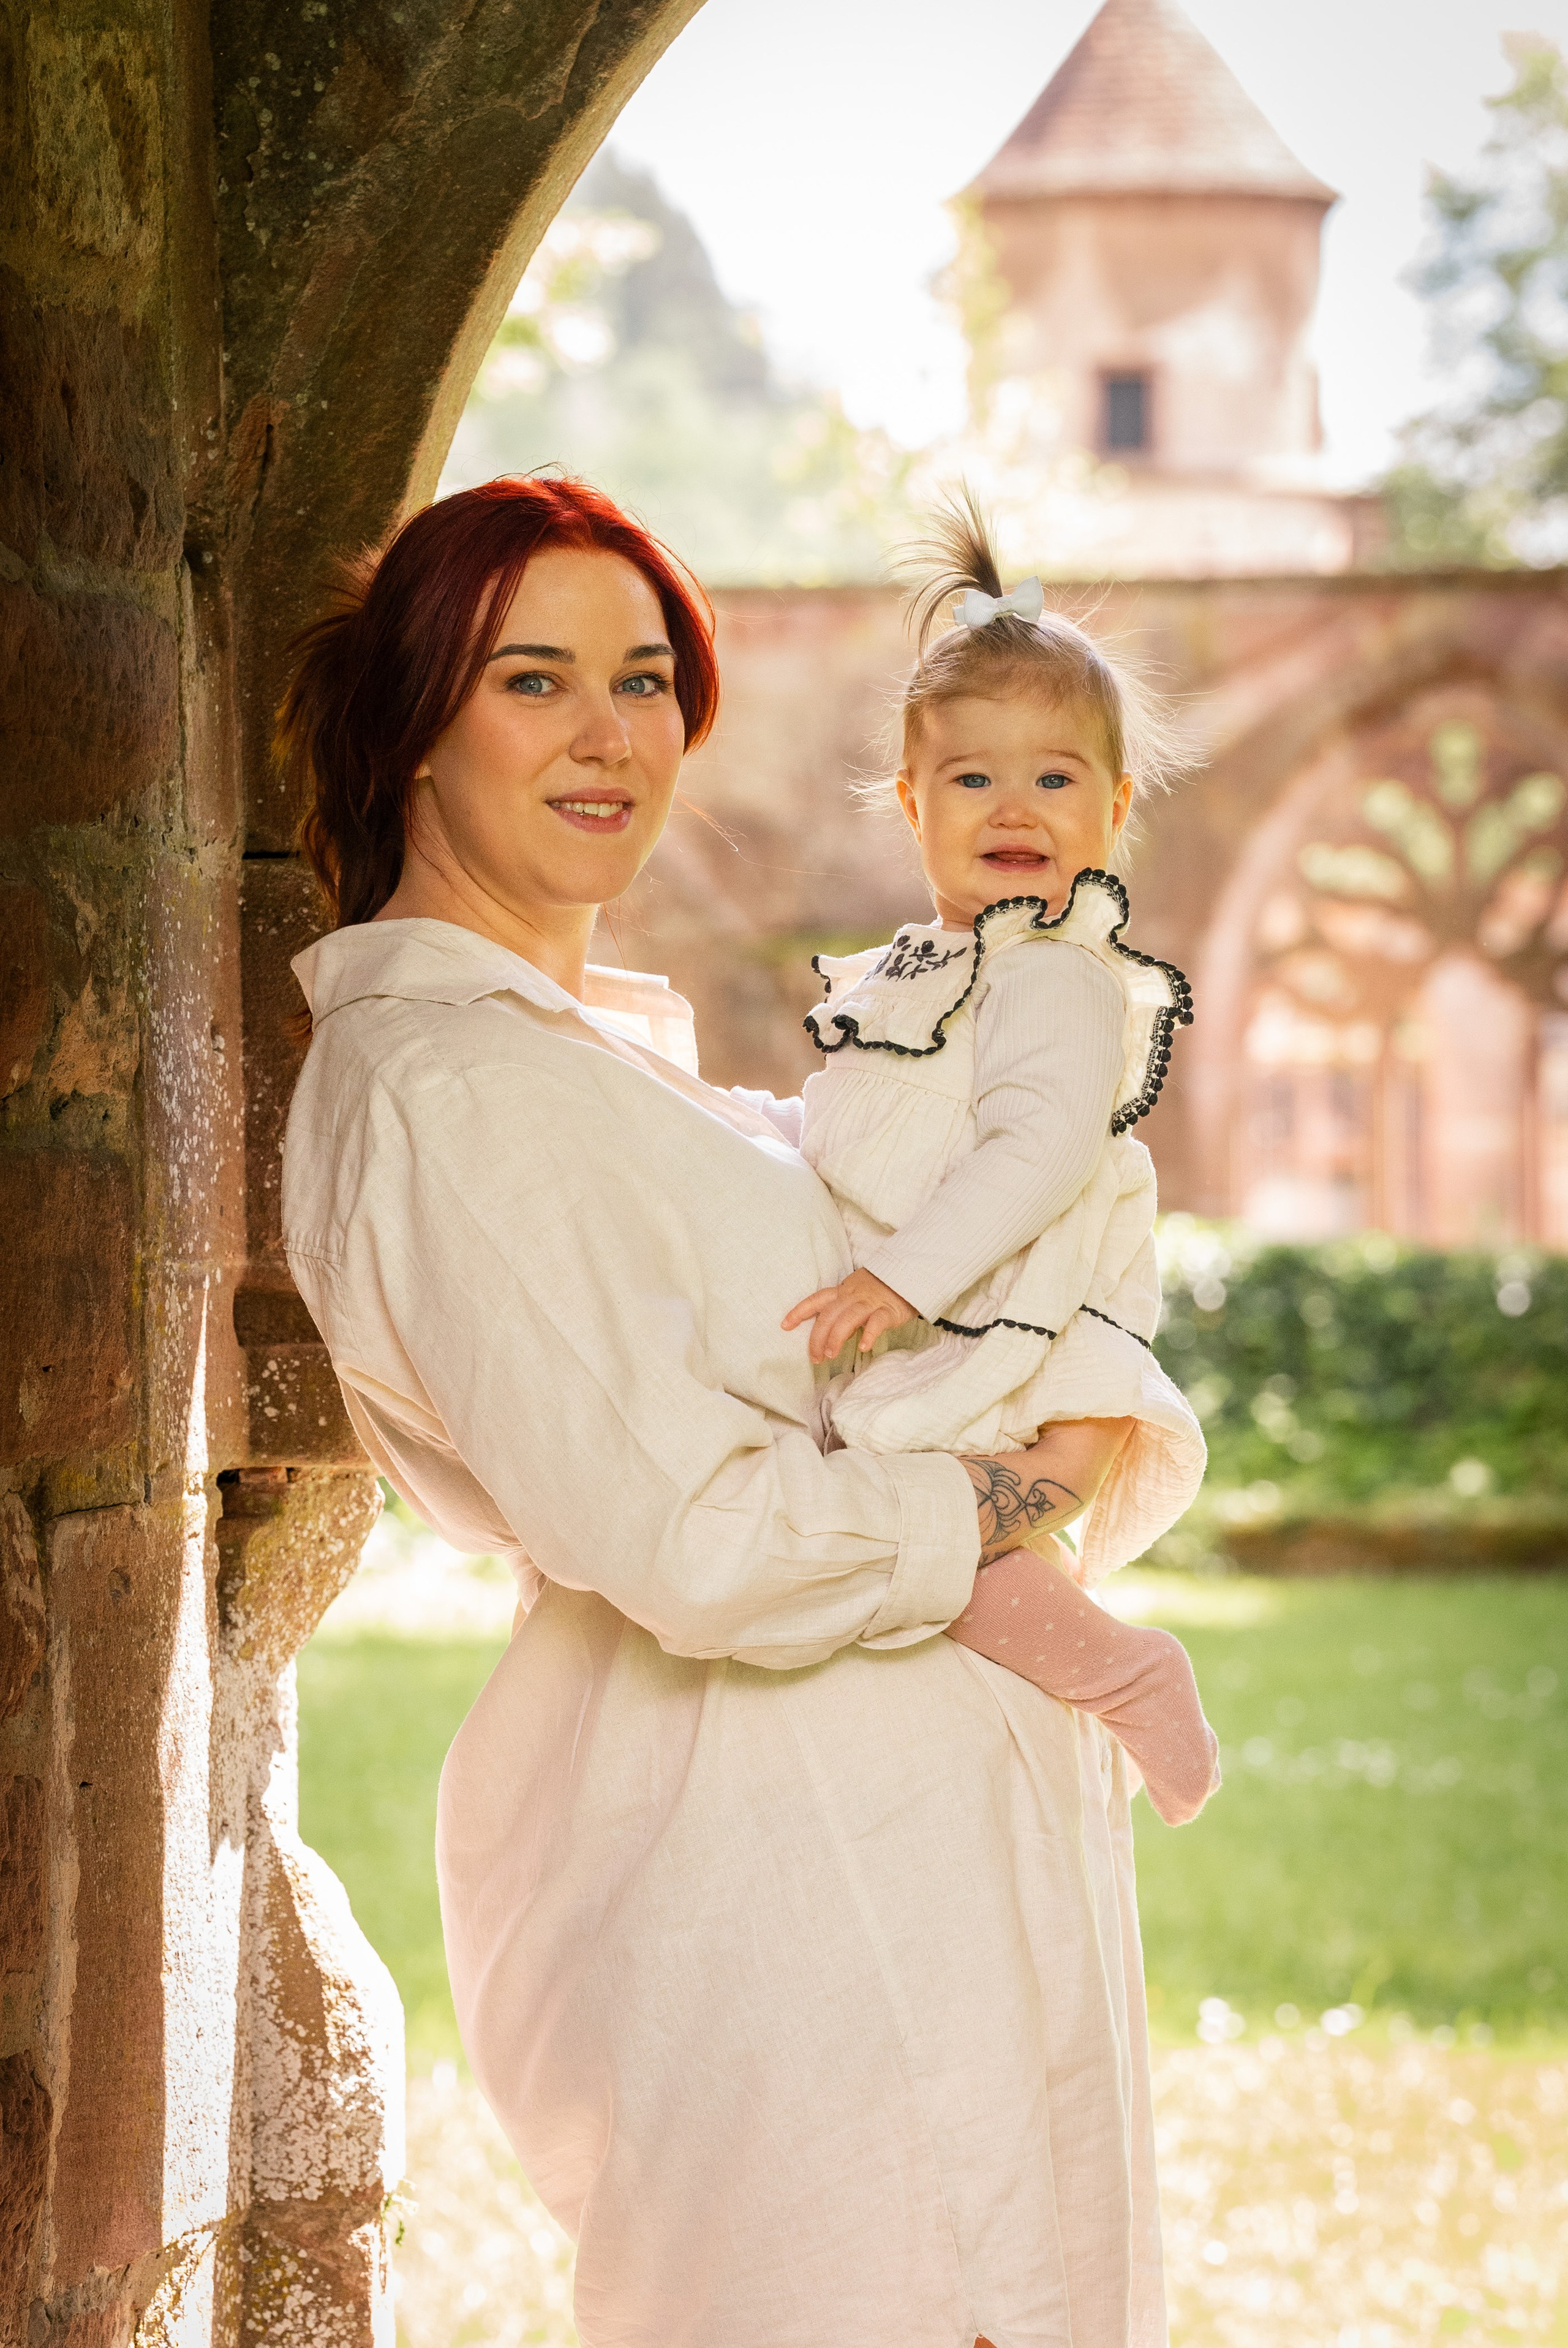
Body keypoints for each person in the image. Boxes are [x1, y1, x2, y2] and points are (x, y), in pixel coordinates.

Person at [278, 474, 1177, 2348]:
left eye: (643, 680)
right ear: (415, 724)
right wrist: (1014, 1493)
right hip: (795, 1917)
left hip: (922, 1908)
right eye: (532, 679)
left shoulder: (607, 1063)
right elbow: (695, 1537)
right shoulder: (448, 1085)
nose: (609, 733)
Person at [768, 495, 1217, 1826]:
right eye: (972, 779)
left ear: (1114, 808)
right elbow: (869, 1125)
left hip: (1004, 1311)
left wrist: (898, 1282)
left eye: (1055, 779)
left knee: (922, 1524)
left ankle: (1127, 1675)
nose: (1014, 806)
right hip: (951, 1305)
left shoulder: (1052, 973)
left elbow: (1036, 1150)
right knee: (914, 1527)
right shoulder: (936, 969)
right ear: (911, 805)